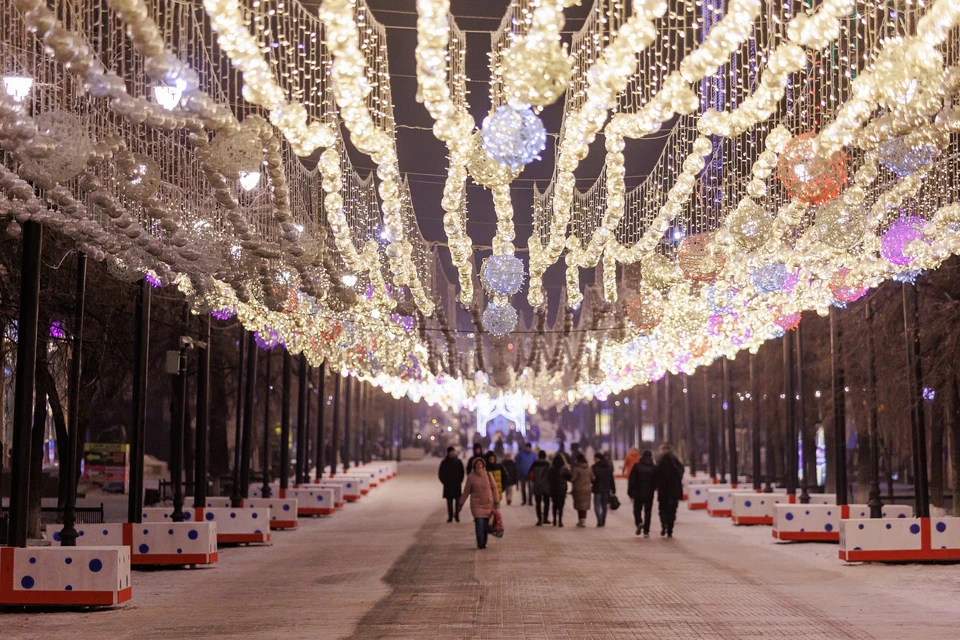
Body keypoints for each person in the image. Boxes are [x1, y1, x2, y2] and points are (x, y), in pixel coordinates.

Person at [459, 457, 500, 549]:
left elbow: (494, 489)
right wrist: (461, 503)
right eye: (477, 464)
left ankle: (484, 541)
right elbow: (466, 491)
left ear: (483, 465)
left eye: (480, 464)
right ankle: (480, 542)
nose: (479, 466)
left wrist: (496, 502)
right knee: (479, 523)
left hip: (488, 504)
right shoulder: (471, 477)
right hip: (476, 504)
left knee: (485, 525)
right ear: (474, 466)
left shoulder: (488, 475)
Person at [655, 442, 685, 537]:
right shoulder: (676, 461)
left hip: (663, 490)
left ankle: (664, 524)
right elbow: (681, 472)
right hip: (674, 490)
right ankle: (670, 528)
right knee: (672, 509)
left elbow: (655, 475)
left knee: (663, 509)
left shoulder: (659, 461)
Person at [627, 449, 656, 537]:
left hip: (638, 492)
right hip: (649, 493)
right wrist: (653, 488)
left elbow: (632, 480)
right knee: (648, 512)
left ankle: (639, 522)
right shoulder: (654, 468)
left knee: (637, 510)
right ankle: (646, 531)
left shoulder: (637, 466)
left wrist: (630, 492)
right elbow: (656, 480)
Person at [438, 446, 465, 523]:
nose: (452, 453)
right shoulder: (444, 462)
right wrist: (444, 482)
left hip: (456, 485)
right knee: (449, 503)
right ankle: (450, 516)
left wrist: (460, 481)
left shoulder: (458, 462)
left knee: (457, 502)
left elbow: (462, 472)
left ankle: (457, 515)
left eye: (453, 451)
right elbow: (441, 474)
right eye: (451, 451)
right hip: (448, 485)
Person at [590, 452, 616, 527]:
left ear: (598, 458)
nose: (594, 459)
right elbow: (611, 479)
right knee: (604, 505)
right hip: (606, 489)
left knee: (597, 505)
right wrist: (613, 489)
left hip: (597, 489)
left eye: (595, 458)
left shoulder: (594, 467)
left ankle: (599, 520)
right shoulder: (608, 467)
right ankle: (603, 520)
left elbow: (592, 479)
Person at [548, 452, 572, 526]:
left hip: (553, 487)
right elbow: (570, 477)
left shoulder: (551, 468)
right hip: (562, 488)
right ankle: (560, 521)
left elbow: (548, 478)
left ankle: (554, 520)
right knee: (561, 504)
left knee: (554, 504)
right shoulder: (564, 469)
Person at [569, 453, 593, 528]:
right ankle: (583, 519)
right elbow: (593, 478)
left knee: (579, 505)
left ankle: (581, 520)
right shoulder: (589, 468)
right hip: (587, 489)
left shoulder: (576, 469)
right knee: (584, 505)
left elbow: (573, 479)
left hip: (578, 489)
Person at [529, 450, 551, 525]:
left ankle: (539, 519)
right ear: (545, 456)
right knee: (546, 503)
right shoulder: (548, 464)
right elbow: (551, 475)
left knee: (538, 503)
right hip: (546, 486)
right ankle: (545, 518)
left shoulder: (534, 464)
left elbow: (530, 474)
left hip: (537, 485)